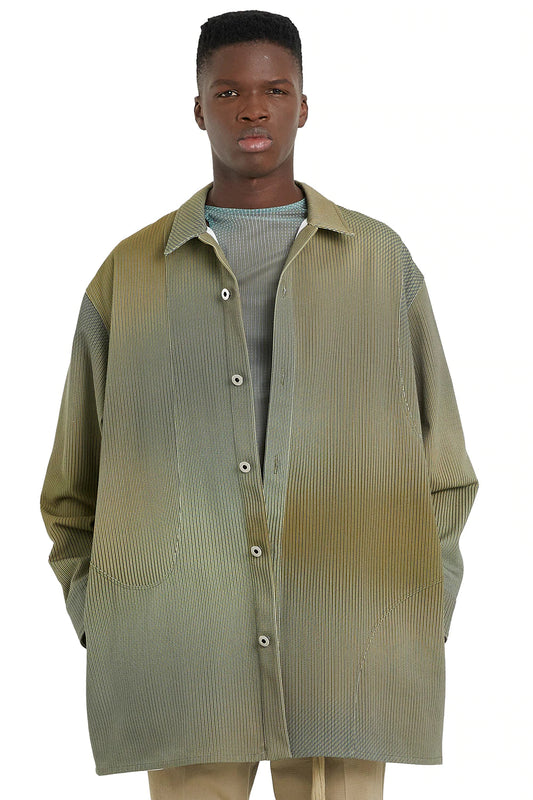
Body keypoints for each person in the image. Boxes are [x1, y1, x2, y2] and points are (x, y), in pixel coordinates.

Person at [40, 10, 479, 800]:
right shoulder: (128, 275)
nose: (252, 109)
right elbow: (73, 489)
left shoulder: (379, 263)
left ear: (302, 106)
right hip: (181, 656)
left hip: (347, 648)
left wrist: (416, 607)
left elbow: (443, 465)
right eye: (228, 92)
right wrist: (101, 619)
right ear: (198, 108)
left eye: (275, 90)